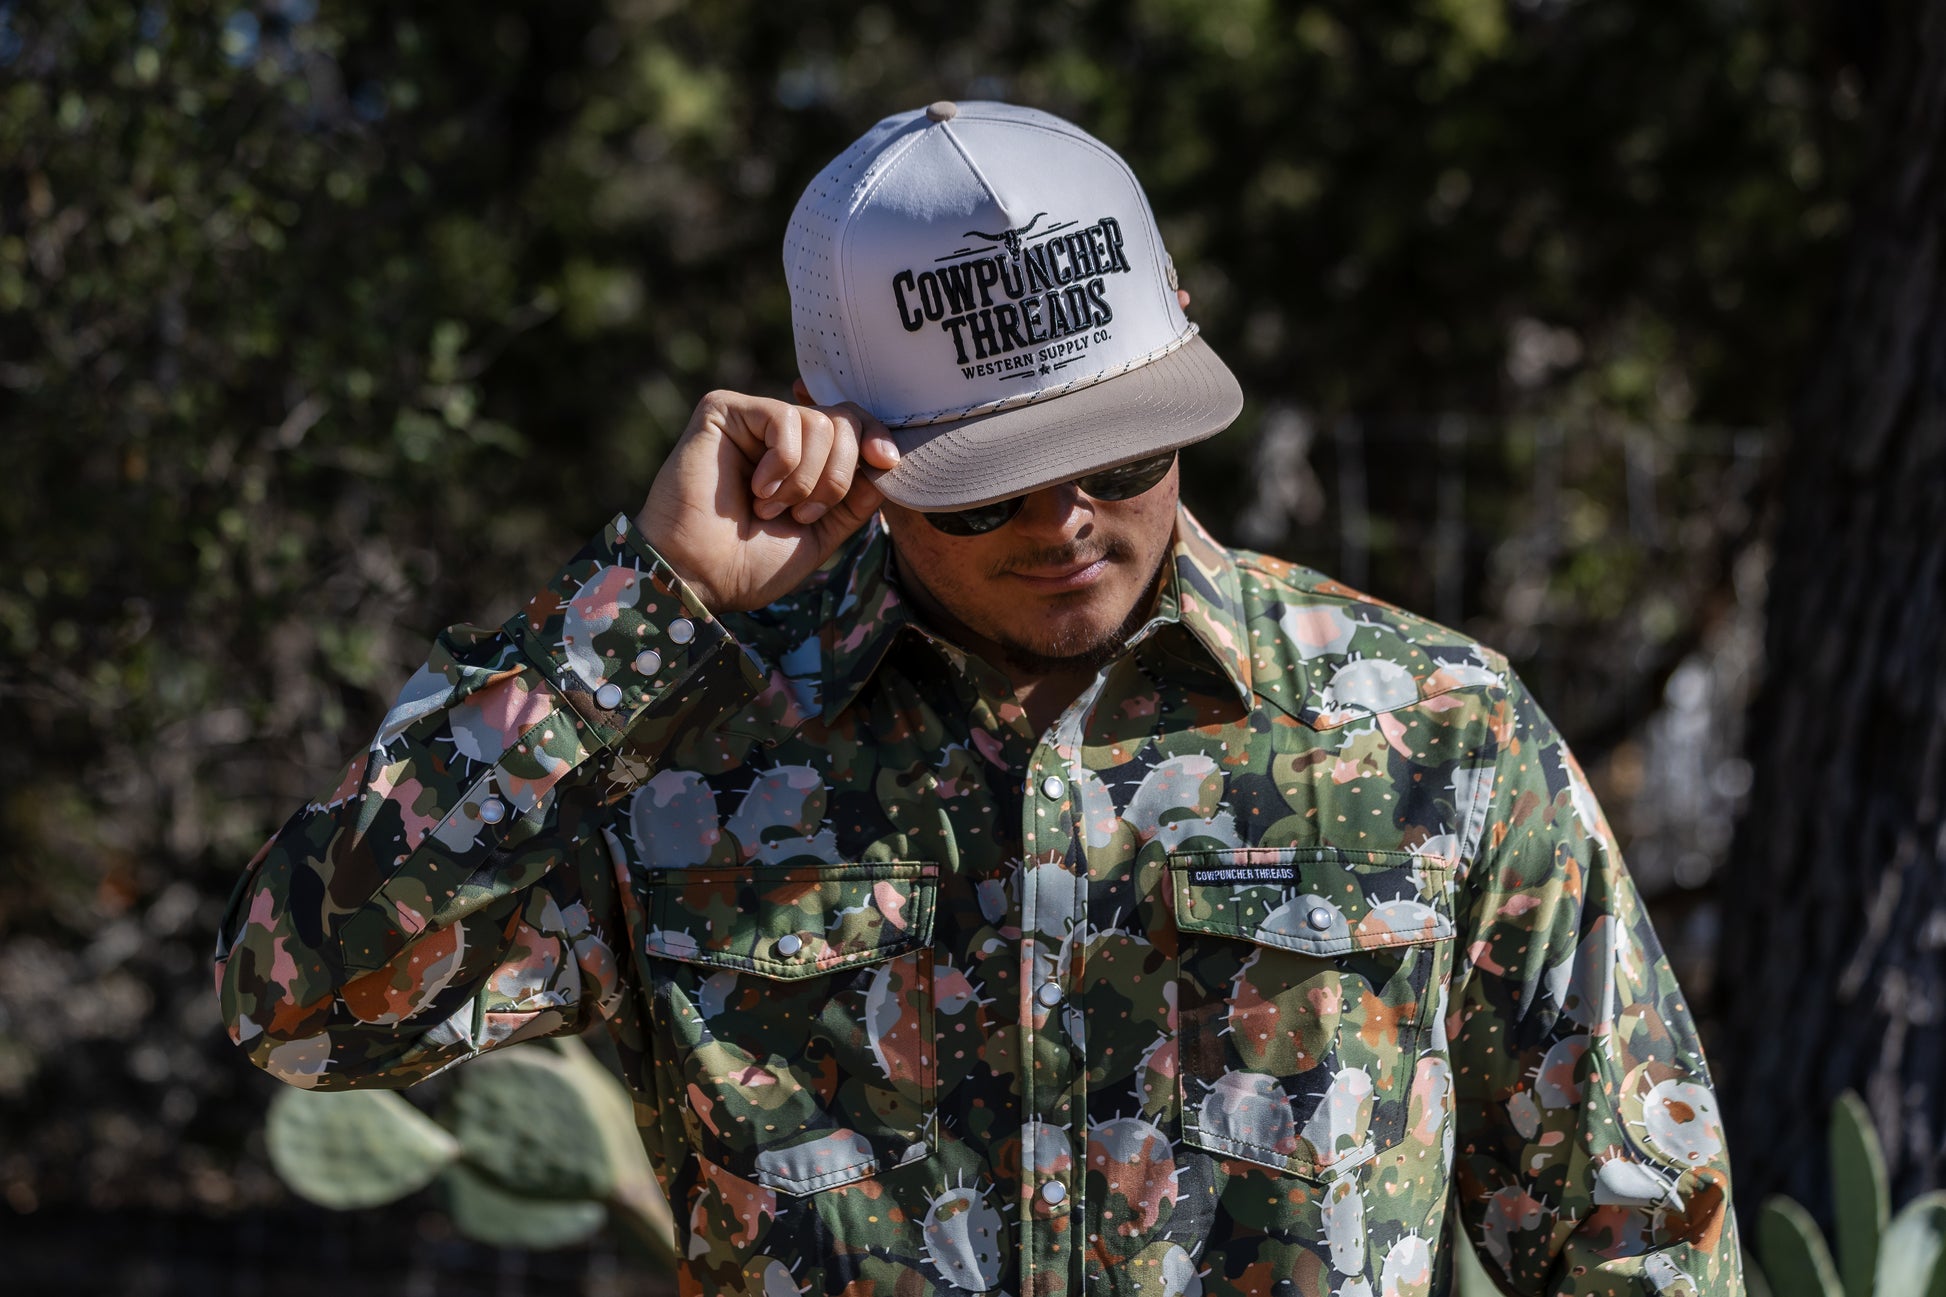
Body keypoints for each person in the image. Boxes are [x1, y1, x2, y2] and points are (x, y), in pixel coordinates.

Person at [217, 101, 1742, 1296]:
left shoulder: (1432, 732)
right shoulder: (686, 751)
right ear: (846, 442)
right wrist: (642, 607)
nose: (1065, 519)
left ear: (1182, 330)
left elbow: (1635, 1224)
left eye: (1122, 449)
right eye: (987, 485)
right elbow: (299, 1005)